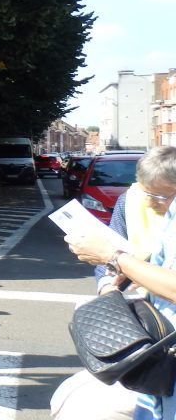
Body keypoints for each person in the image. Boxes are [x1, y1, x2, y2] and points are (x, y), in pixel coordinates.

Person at [65, 146, 176, 420]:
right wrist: (110, 284)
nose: (151, 203)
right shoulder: (134, 200)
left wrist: (114, 257)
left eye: (161, 195)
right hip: (159, 345)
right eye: (146, 192)